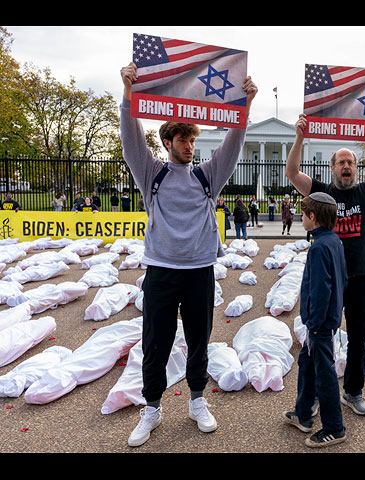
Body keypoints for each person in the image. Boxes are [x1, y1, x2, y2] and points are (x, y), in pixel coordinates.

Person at [119, 61, 257, 447]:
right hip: (161, 270)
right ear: (167, 142)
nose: (189, 145)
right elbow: (131, 140)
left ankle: (197, 400)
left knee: (199, 340)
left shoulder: (206, 176)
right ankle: (152, 408)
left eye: (192, 140)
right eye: (182, 139)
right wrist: (128, 92)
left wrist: (245, 104)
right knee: (155, 345)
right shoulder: (152, 174)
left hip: (199, 270)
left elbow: (233, 146)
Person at [286, 112, 365, 416]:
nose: (346, 166)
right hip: (328, 279)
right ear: (332, 168)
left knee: (358, 339)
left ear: (356, 168)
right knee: (318, 339)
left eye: (350, 162)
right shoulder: (321, 193)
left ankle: (352, 392)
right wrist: (299, 136)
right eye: (340, 162)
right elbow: (291, 173)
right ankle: (314, 395)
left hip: (360, 276)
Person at [283, 192, 348, 448]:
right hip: (325, 319)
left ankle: (335, 427)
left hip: (319, 323)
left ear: (312, 217)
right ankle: (304, 413)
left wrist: (314, 322)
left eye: (303, 214)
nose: (301, 218)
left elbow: (321, 288)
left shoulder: (320, 247)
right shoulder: (334, 241)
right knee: (307, 363)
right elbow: (342, 280)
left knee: (324, 373)